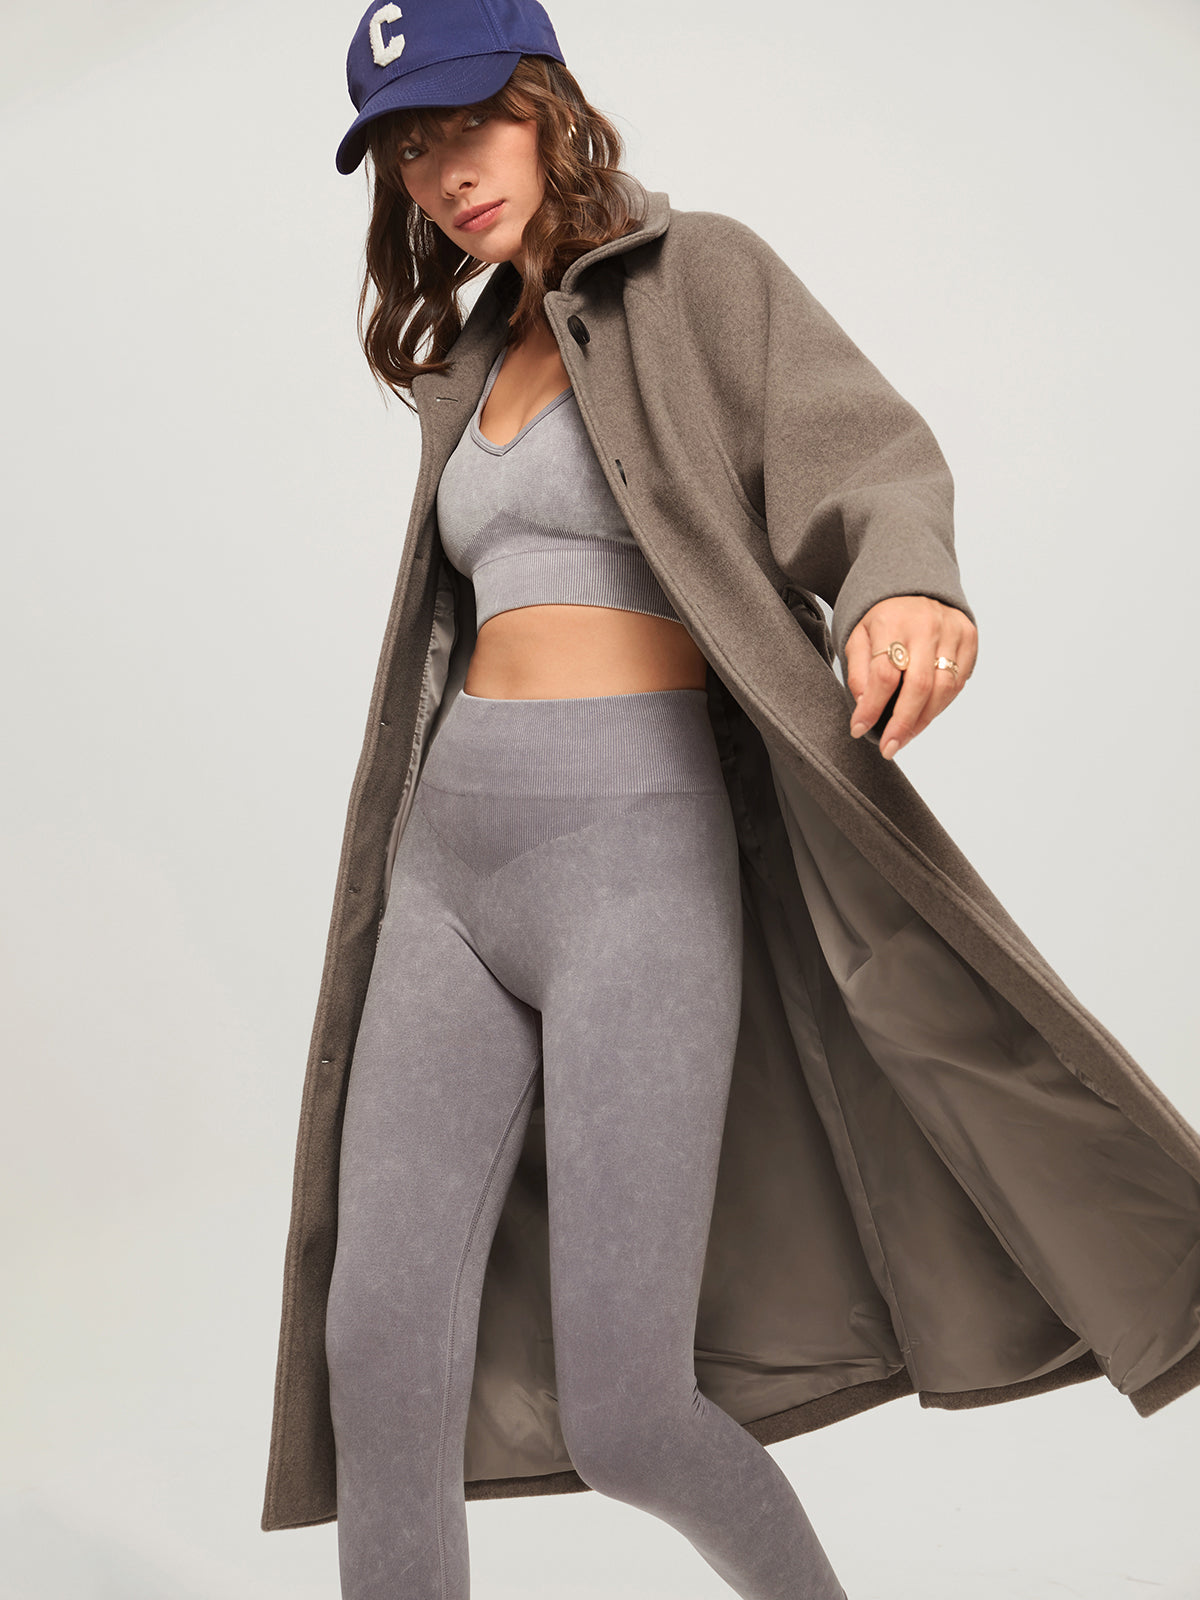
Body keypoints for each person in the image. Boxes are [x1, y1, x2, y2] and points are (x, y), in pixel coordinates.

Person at [260, 2, 1200, 1596]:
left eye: (468, 123)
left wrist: (905, 585)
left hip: (635, 858)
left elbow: (870, 456)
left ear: (547, 104)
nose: (443, 172)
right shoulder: (475, 352)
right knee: (379, 1357)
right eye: (407, 150)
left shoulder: (699, 274)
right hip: (449, 865)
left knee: (630, 1412)